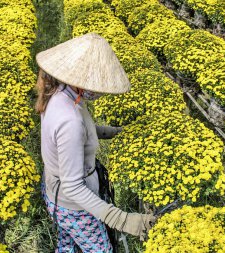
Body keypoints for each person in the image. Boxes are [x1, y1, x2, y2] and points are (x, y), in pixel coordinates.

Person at [35, 32, 156, 253]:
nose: (100, 92)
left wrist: (117, 132)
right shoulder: (68, 118)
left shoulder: (60, 93)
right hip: (73, 206)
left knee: (67, 245)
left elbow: (82, 134)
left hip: (55, 194)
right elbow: (73, 187)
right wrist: (120, 219)